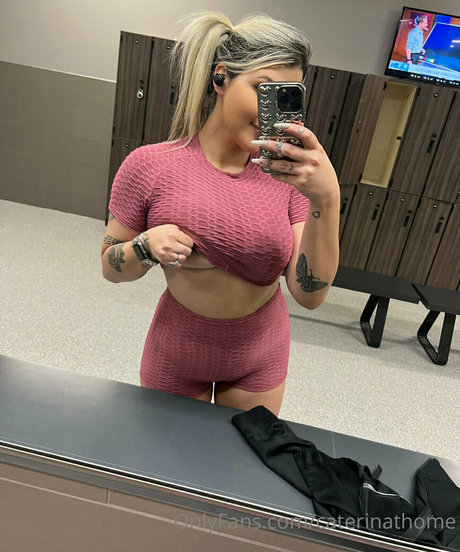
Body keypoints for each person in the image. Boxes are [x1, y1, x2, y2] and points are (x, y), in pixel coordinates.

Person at [101, 11, 340, 416]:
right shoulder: (150, 165)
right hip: (176, 350)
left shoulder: (291, 178)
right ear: (221, 78)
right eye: (262, 89)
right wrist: (145, 246)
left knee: (240, 457)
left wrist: (327, 200)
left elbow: (310, 296)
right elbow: (110, 267)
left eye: (285, 96)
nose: (270, 111)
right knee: (166, 453)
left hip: (259, 355)